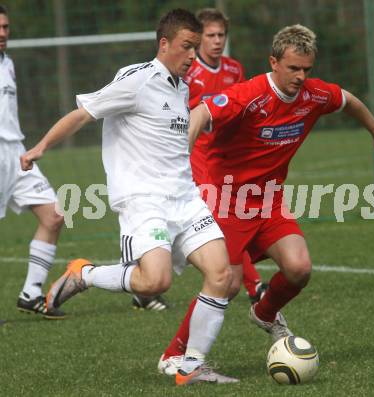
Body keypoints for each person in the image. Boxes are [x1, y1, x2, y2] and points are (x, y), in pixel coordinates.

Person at [157, 23, 374, 376]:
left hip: (268, 200)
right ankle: (173, 355)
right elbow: (201, 113)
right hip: (228, 201)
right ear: (273, 62)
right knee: (226, 281)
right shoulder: (250, 93)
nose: (301, 77)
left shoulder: (314, 95)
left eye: (306, 69)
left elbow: (347, 99)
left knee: (299, 269)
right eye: (293, 68)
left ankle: (264, 313)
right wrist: (184, 150)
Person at [20, 9, 238, 385]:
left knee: (223, 276)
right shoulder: (136, 80)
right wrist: (41, 146)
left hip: (185, 198)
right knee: (154, 283)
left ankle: (190, 365)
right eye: (186, 47)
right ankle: (84, 274)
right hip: (144, 200)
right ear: (164, 43)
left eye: (195, 48)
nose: (192, 56)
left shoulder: (181, 87)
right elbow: (82, 114)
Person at [157, 7, 268, 375]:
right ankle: (256, 287)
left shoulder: (235, 69)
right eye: (210, 36)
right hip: (198, 158)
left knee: (231, 222)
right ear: (197, 38)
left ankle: (145, 282)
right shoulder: (190, 70)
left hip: (230, 158)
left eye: (222, 35)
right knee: (218, 223)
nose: (217, 42)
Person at [0, 4, 65, 319]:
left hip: (17, 153)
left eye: (6, 28)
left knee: (54, 215)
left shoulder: (8, 63)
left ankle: (31, 293)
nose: (3, 34)